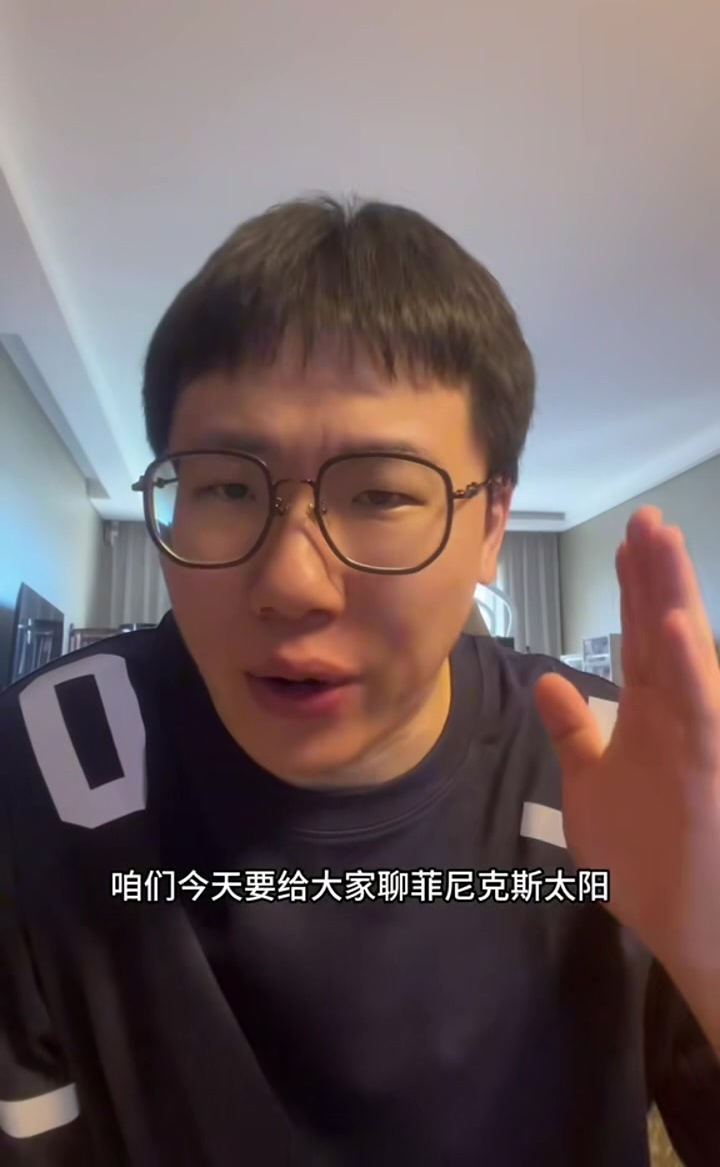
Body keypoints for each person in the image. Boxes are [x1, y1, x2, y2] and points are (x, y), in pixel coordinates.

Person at [1, 196, 718, 1166]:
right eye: (225, 486)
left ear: (491, 525)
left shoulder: (608, 765)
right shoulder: (42, 771)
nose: (292, 583)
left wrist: (704, 934)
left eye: (380, 493)